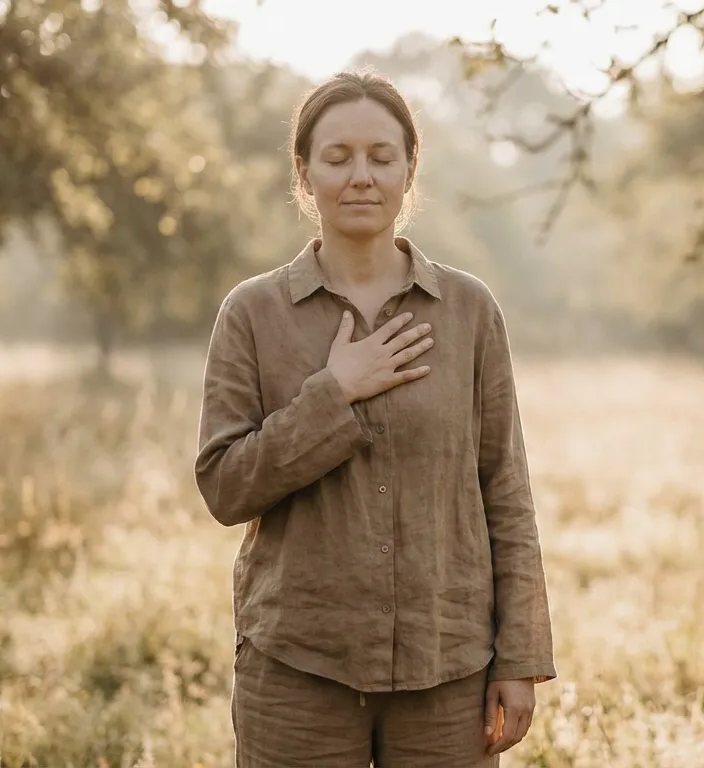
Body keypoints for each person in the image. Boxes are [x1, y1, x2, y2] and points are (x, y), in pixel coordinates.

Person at [193, 68, 557, 767]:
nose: (360, 176)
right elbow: (224, 487)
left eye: (381, 157)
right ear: (304, 174)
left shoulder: (469, 311)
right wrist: (333, 394)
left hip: (448, 673)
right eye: (337, 158)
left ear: (409, 170)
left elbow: (505, 491)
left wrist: (520, 656)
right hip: (298, 670)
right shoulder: (254, 314)